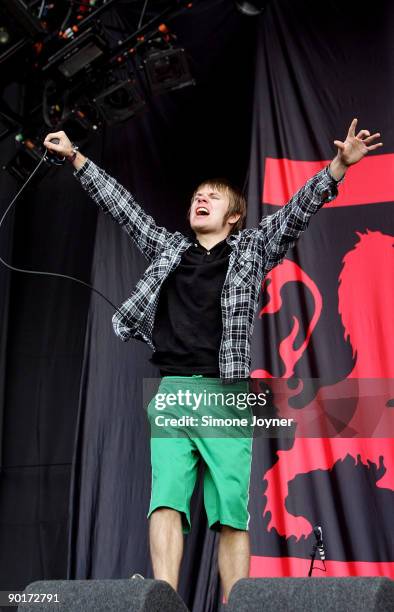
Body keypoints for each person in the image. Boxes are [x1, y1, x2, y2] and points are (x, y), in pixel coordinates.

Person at [43, 120, 382, 601]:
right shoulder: (169, 250)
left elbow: (295, 213)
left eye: (214, 197)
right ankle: (161, 599)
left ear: (234, 216)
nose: (200, 200)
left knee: (230, 511)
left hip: (225, 394)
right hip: (173, 391)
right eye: (196, 196)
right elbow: (123, 208)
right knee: (165, 502)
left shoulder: (251, 250)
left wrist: (338, 167)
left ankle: (235, 603)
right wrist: (76, 158)